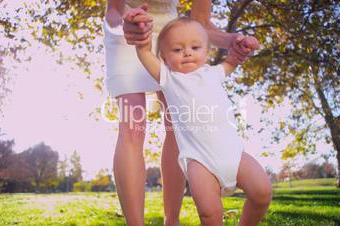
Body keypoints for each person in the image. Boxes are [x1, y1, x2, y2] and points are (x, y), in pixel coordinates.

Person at [104, 1, 255, 225]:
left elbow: (201, 24)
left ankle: (171, 220)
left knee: (177, 128)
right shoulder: (126, 24)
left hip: (172, 36)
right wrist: (126, 24)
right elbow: (113, 11)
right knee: (132, 128)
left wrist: (232, 41)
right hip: (129, 30)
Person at [134, 17, 272, 226]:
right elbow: (144, 54)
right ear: (164, 57)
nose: (187, 52)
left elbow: (232, 61)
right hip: (199, 161)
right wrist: (142, 43)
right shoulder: (169, 79)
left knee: (262, 193)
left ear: (206, 51)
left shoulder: (213, 73)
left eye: (195, 47)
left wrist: (243, 48)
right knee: (209, 213)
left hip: (233, 153)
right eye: (177, 50)